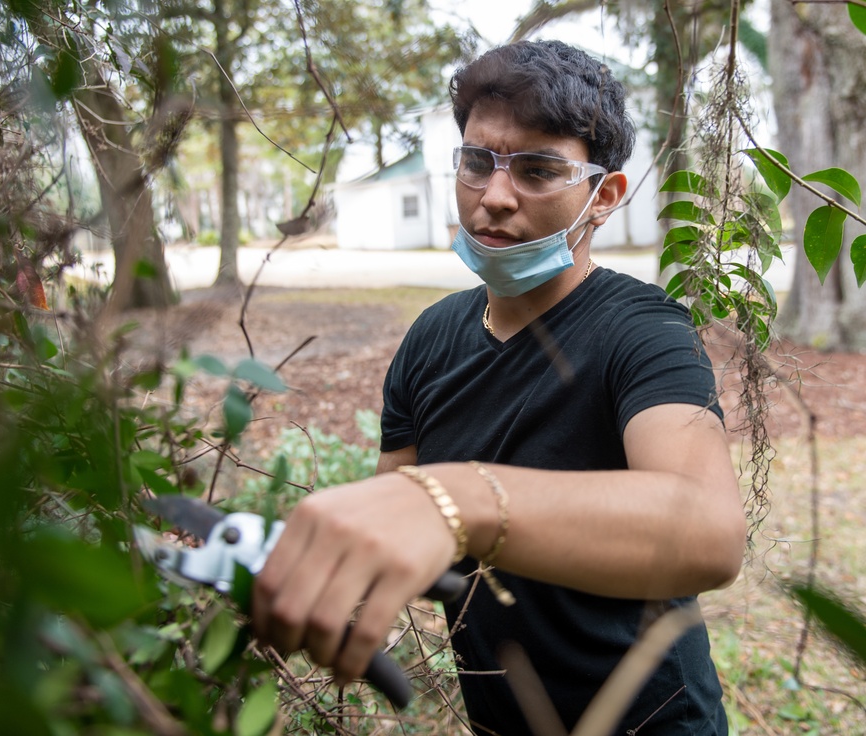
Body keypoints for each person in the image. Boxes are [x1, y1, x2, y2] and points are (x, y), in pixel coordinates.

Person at [252, 40, 746, 735]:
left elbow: (710, 531)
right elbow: (410, 529)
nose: (495, 196)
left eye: (540, 170)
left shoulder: (644, 332)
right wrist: (296, 563)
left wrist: (464, 498)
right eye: (477, 161)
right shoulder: (431, 338)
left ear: (602, 197)